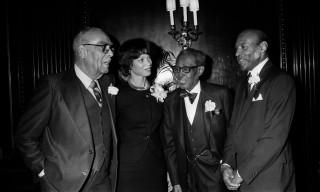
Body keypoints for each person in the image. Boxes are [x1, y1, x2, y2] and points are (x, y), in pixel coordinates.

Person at [14, 27, 118, 192]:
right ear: (83, 51)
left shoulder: (108, 82)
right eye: (103, 47)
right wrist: (43, 171)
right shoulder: (54, 85)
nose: (111, 53)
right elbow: (25, 136)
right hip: (63, 185)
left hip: (103, 183)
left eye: (111, 48)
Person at [221, 29, 296, 191]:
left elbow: (274, 138)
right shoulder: (242, 85)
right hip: (242, 176)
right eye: (236, 48)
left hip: (270, 177)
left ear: (262, 47)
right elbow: (233, 128)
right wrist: (226, 164)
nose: (237, 53)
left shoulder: (281, 80)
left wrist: (240, 174)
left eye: (243, 47)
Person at [161, 47, 233, 192]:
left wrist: (227, 165)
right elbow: (169, 145)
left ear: (199, 70)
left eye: (186, 69)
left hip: (216, 174)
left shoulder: (221, 94)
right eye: (177, 69)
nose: (179, 75)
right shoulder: (170, 100)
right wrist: (175, 181)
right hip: (186, 176)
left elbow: (234, 134)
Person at [116, 38, 168, 192]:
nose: (149, 62)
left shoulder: (159, 92)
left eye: (149, 57)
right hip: (127, 168)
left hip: (156, 165)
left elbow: (165, 132)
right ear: (129, 64)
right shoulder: (118, 95)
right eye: (141, 59)